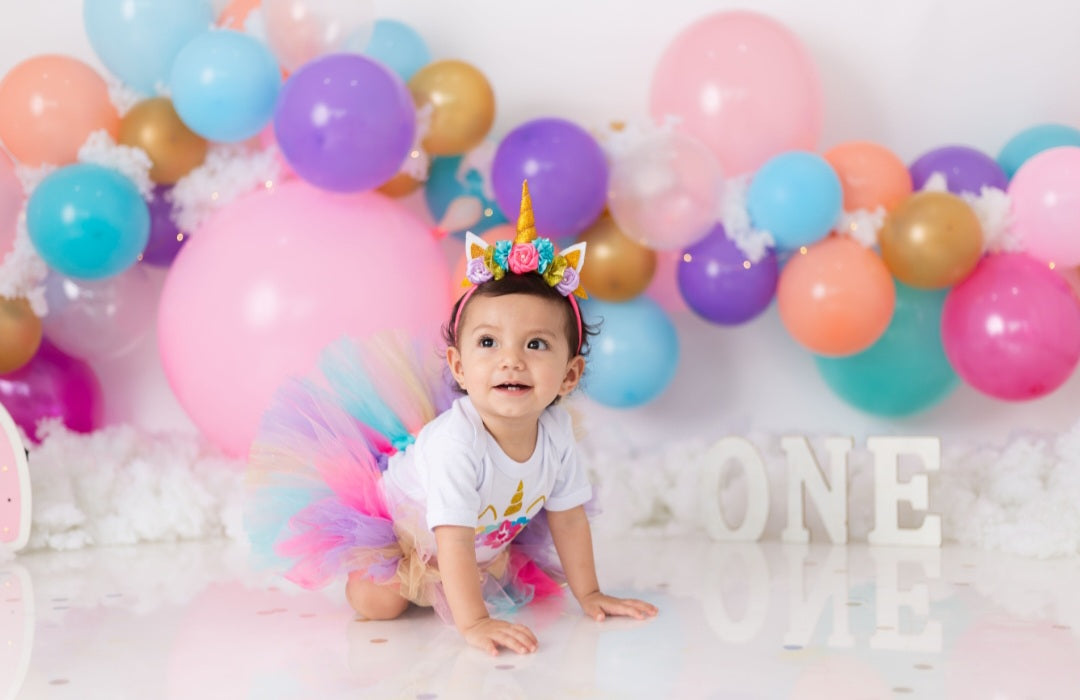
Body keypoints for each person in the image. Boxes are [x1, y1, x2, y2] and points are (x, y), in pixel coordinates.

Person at [245, 181, 656, 656]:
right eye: (488, 343)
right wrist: (475, 621)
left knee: (491, 568)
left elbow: (567, 519)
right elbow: (454, 539)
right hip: (408, 530)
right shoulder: (457, 444)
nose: (511, 360)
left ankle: (450, 586)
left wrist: (589, 593)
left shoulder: (557, 431)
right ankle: (387, 578)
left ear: (569, 375)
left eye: (536, 344)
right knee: (379, 603)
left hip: (476, 534)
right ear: (459, 367)